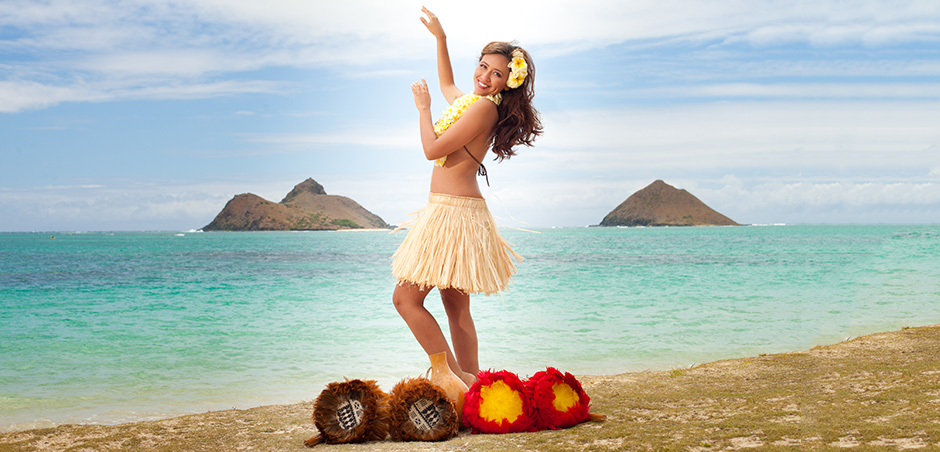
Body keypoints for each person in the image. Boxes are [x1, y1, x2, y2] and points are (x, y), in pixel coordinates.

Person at [392, 6, 542, 389]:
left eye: (497, 74)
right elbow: (447, 86)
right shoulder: (474, 104)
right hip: (456, 212)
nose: (485, 77)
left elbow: (432, 148)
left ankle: (453, 377)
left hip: (452, 214)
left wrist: (423, 110)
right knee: (455, 306)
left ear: (509, 82)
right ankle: (475, 388)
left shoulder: (481, 110)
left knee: (405, 300)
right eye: (483, 66)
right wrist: (441, 39)